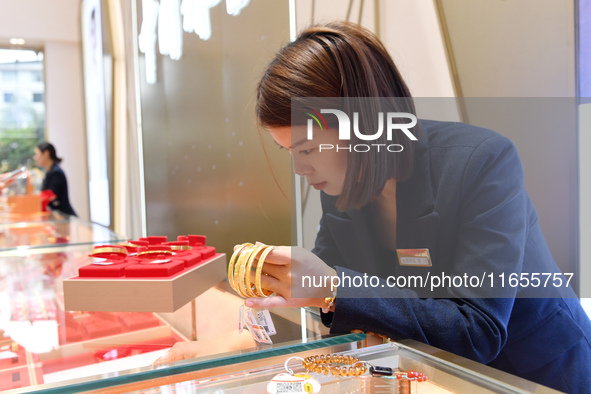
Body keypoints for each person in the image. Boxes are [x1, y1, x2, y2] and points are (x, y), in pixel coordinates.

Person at [160, 21, 591, 393]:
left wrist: (333, 285)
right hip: (438, 376)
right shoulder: (344, 189)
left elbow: (477, 329)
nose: (299, 168)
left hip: (539, 374)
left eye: (308, 148)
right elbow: (329, 314)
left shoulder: (482, 162)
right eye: (288, 151)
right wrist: (243, 344)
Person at [33, 142, 77, 216]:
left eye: (37, 154)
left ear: (46, 154)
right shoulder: (49, 172)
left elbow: (51, 196)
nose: (35, 158)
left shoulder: (56, 172)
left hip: (63, 216)